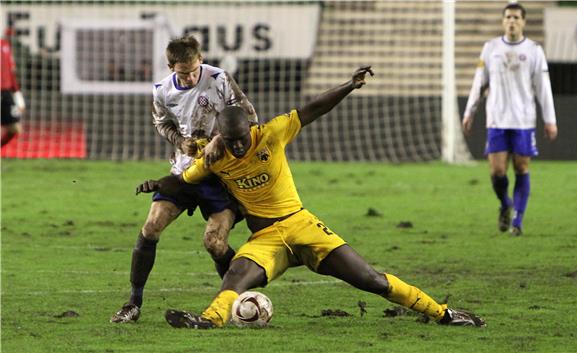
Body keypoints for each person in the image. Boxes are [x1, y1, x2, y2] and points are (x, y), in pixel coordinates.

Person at [137, 66, 486, 328]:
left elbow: (312, 108)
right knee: (235, 273)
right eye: (231, 141)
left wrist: (349, 85)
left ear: (250, 128)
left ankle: (443, 313)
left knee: (371, 280)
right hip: (266, 238)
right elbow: (183, 180)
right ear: (221, 139)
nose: (239, 145)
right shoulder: (214, 158)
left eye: (243, 137)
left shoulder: (271, 134)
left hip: (302, 225)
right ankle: (208, 321)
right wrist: (158, 183)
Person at [111, 35, 257, 323]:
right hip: (184, 173)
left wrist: (219, 140)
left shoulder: (220, 79)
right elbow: (161, 123)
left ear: (200, 59)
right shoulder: (162, 91)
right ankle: (133, 303)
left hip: (220, 177)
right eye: (183, 73)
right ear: (170, 67)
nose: (190, 78)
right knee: (151, 226)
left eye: (193, 71)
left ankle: (235, 300)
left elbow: (249, 116)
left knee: (214, 243)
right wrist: (179, 141)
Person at [462, 3, 557, 236]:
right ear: (503, 21)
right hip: (496, 120)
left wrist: (550, 119)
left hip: (524, 121)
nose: (512, 21)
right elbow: (478, 82)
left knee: (522, 167)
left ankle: (518, 221)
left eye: (516, 17)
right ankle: (506, 204)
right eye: (508, 17)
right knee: (497, 172)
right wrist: (469, 112)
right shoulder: (490, 48)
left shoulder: (534, 50)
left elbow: (543, 87)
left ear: (523, 21)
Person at [1, 30, 26, 148]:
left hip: (5, 93)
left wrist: (17, 94)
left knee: (15, 128)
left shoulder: (5, 45)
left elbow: (11, 73)